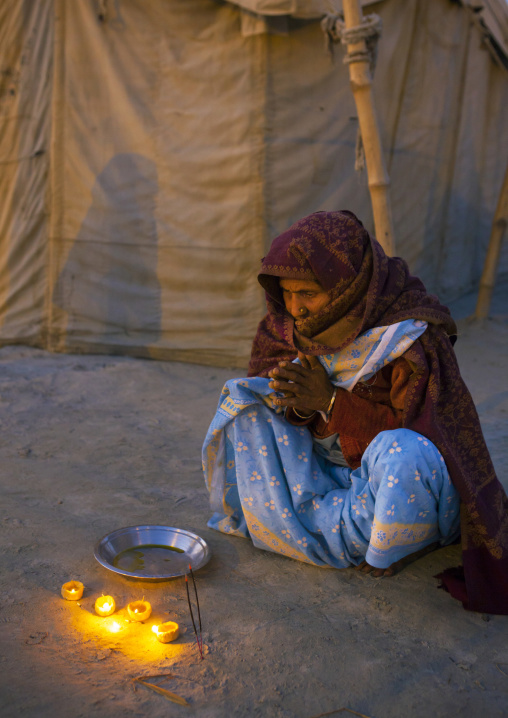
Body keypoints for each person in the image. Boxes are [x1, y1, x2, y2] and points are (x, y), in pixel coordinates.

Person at [202, 210, 508, 614]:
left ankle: (399, 537)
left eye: (308, 293)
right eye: (287, 293)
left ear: (346, 285)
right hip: (325, 468)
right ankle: (313, 523)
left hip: (394, 483)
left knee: (404, 453)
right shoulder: (285, 328)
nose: (295, 308)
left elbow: (431, 442)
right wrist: (292, 399)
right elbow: (279, 403)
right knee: (247, 403)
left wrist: (331, 401)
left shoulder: (408, 339)